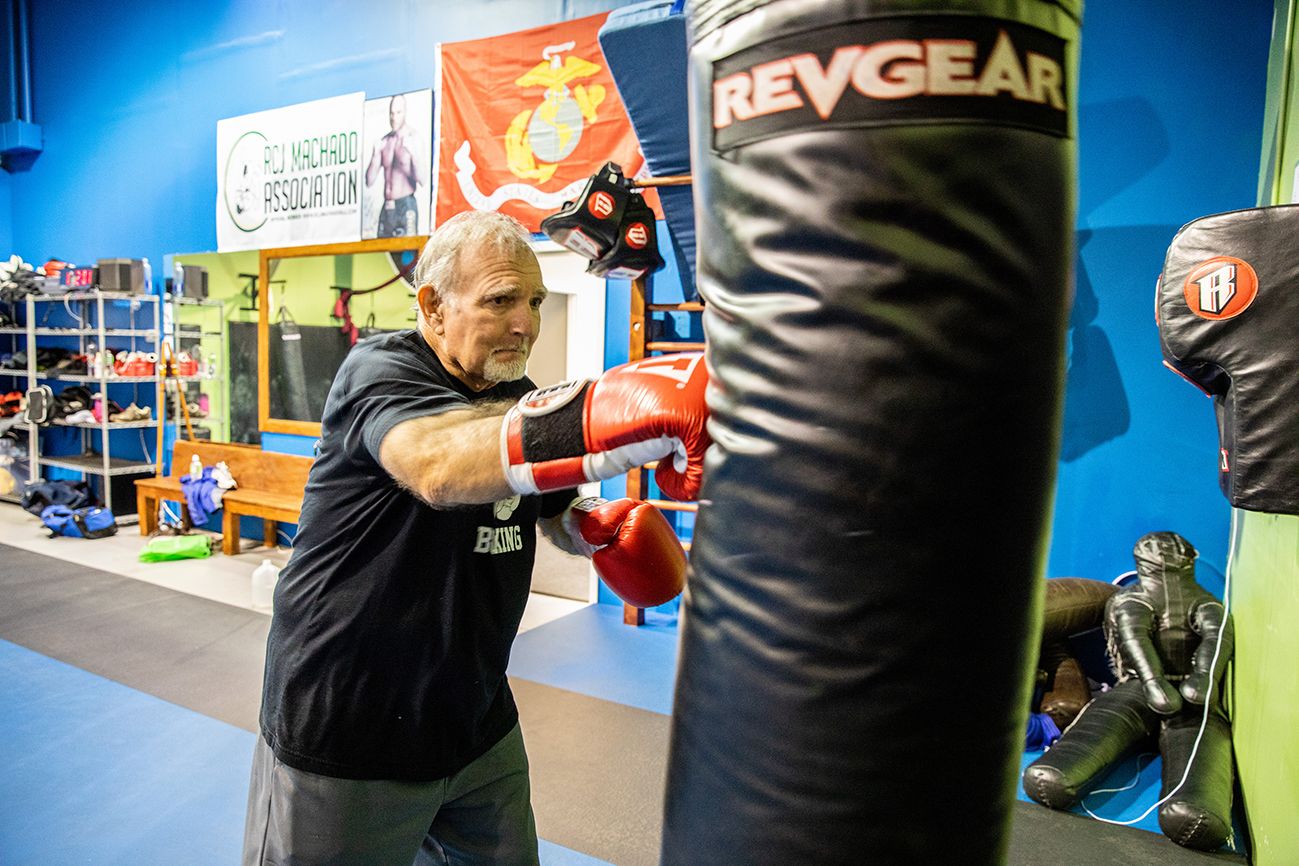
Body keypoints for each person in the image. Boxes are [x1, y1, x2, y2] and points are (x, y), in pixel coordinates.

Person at [242, 209, 709, 866]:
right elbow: (436, 465)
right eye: (499, 300)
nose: (524, 322)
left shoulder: (517, 393)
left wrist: (588, 528)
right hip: (347, 722)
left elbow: (543, 501)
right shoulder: (379, 374)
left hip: (474, 717)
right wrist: (604, 420)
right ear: (432, 306)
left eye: (534, 300)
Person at [367, 93, 427, 237]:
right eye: (391, 113)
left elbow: (423, 180)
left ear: (405, 113)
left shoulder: (414, 138)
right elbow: (369, 181)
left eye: (398, 112)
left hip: (405, 205)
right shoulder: (385, 141)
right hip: (387, 206)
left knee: (408, 256)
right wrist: (375, 155)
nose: (394, 117)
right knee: (382, 253)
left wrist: (414, 156)